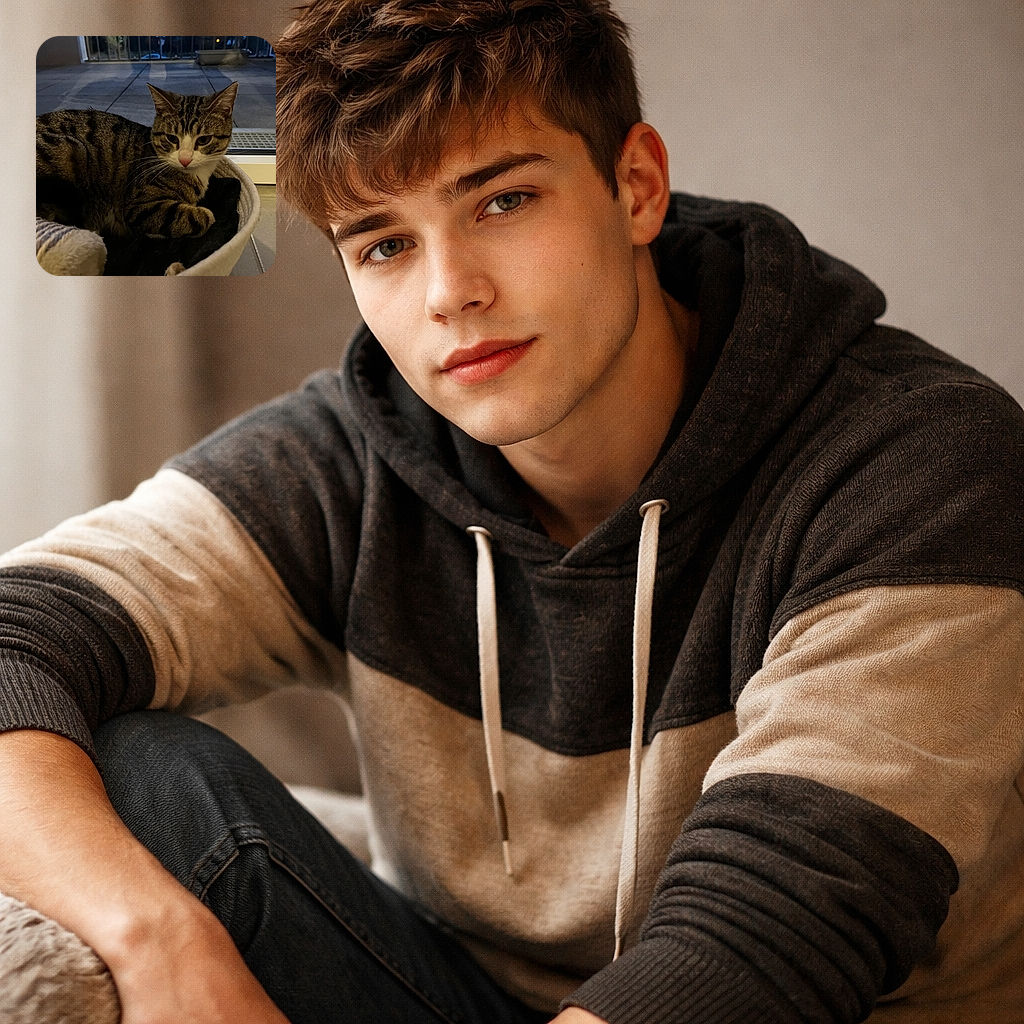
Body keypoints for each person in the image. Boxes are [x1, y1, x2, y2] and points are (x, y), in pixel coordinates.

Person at [2, 1, 1023, 1021]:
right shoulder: (344, 460)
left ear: (635, 185)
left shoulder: (921, 460)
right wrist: (158, 937)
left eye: (503, 202)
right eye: (385, 245)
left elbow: (771, 936)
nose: (450, 292)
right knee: (139, 769)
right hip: (463, 997)